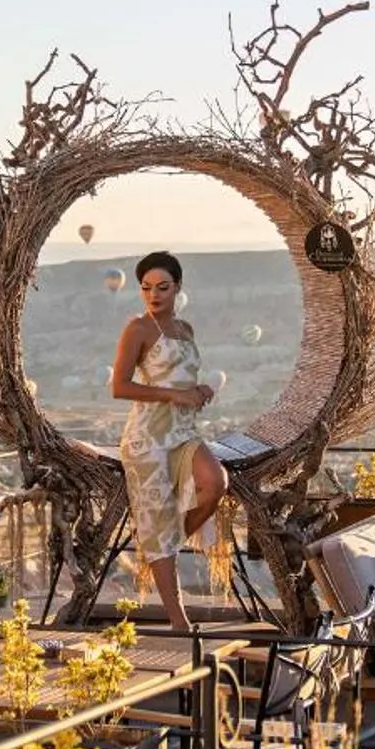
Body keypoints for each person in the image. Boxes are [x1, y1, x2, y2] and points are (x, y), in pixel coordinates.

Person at [111, 251, 229, 631]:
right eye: (146, 288)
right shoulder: (138, 329)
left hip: (183, 432)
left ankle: (166, 542)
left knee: (215, 483)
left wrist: (198, 389)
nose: (154, 294)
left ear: (178, 287)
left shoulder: (185, 329)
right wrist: (172, 395)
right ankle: (179, 621)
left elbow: (180, 380)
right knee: (158, 528)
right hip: (148, 437)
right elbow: (120, 387)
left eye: (162, 287)